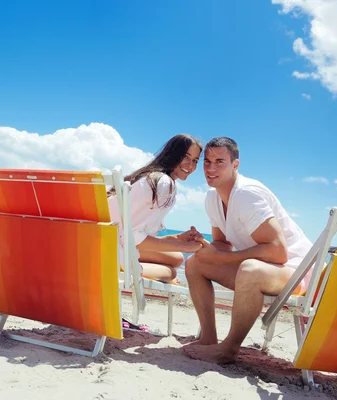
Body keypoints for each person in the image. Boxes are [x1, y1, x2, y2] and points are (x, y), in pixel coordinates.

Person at [182, 136, 313, 363]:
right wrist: (205, 247)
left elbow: (278, 251)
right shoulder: (212, 198)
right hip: (267, 268)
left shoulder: (247, 194)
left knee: (250, 269)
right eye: (207, 161)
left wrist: (223, 258)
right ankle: (209, 340)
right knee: (195, 262)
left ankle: (229, 348)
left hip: (295, 270)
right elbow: (223, 244)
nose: (211, 168)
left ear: (235, 165)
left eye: (220, 161)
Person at [107, 134, 204, 283]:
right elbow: (132, 237)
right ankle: (128, 269)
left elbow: (130, 231)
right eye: (186, 157)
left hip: (104, 241)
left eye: (195, 161)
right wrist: (187, 248)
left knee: (177, 258)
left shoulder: (146, 176)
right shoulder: (163, 183)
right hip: (114, 253)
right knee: (171, 272)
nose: (190, 165)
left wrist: (177, 239)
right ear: (173, 153)